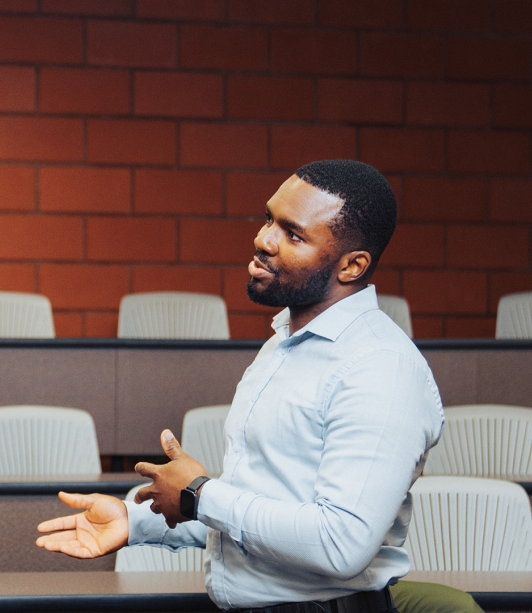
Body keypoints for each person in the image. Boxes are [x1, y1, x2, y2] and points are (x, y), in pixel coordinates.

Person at [36, 160, 445, 613]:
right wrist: (137, 522)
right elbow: (258, 514)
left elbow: (339, 544)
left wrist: (199, 494)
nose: (263, 240)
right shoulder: (283, 345)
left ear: (352, 266)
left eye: (293, 234)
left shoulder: (380, 367)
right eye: (270, 219)